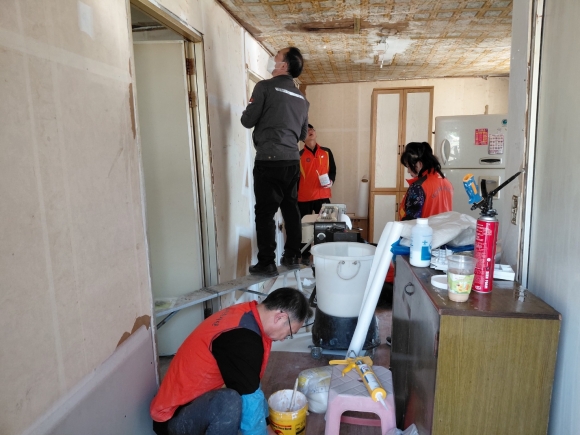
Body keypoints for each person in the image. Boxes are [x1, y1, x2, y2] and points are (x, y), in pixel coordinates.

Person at [150, 287, 313, 435]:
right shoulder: (242, 340)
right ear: (280, 317)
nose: (284, 339)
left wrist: (266, 424)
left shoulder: (246, 315)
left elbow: (251, 386)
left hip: (191, 404)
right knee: (228, 402)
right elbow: (249, 397)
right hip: (173, 418)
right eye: (289, 333)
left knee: (241, 400)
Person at [241, 47, 310, 277]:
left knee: (265, 213)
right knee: (291, 209)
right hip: (292, 161)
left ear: (284, 65)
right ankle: (292, 255)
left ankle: (266, 263)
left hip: (269, 160)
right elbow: (302, 134)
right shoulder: (302, 99)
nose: (273, 58)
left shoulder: (264, 87)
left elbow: (247, 121)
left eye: (277, 56)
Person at [380, 142, 453, 311]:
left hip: (420, 245)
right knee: (431, 289)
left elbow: (410, 222)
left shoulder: (419, 186)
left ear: (418, 164)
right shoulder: (446, 182)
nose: (408, 171)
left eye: (408, 166)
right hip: (442, 245)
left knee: (408, 285)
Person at [297, 123, 336, 265]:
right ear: (302, 137)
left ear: (316, 133)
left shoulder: (326, 152)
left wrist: (331, 181)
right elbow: (296, 178)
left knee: (328, 226)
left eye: (312, 129)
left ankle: (326, 253)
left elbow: (333, 170)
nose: (310, 131)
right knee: (305, 229)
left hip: (323, 196)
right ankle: (305, 255)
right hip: (304, 197)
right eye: (306, 130)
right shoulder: (299, 155)